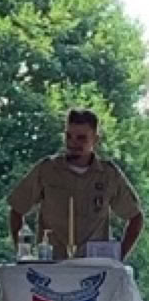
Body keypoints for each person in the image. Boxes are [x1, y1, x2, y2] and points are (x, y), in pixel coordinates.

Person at [8, 108, 144, 260]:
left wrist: (119, 257)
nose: (73, 143)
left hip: (94, 267)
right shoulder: (47, 170)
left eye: (81, 138)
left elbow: (135, 217)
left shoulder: (108, 175)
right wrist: (23, 254)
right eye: (68, 136)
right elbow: (17, 209)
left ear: (95, 139)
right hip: (52, 265)